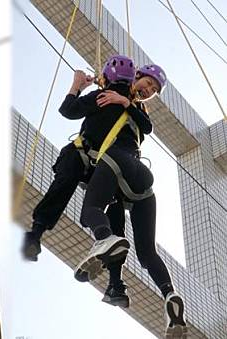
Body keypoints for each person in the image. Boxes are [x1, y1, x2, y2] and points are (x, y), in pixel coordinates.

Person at [71, 61, 187, 337]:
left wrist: (120, 98)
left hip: (116, 161)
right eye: (147, 84)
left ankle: (103, 242)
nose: (148, 90)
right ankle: (164, 294)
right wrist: (96, 81)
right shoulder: (119, 94)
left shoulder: (132, 106)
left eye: (152, 90)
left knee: (91, 211)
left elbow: (146, 126)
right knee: (143, 251)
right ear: (135, 75)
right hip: (140, 182)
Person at [22, 55, 135, 307]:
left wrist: (77, 86)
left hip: (81, 155)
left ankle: (35, 235)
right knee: (115, 213)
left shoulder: (101, 96)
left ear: (106, 78)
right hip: (108, 166)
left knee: (61, 187)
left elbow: (67, 111)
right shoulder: (134, 107)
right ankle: (116, 284)